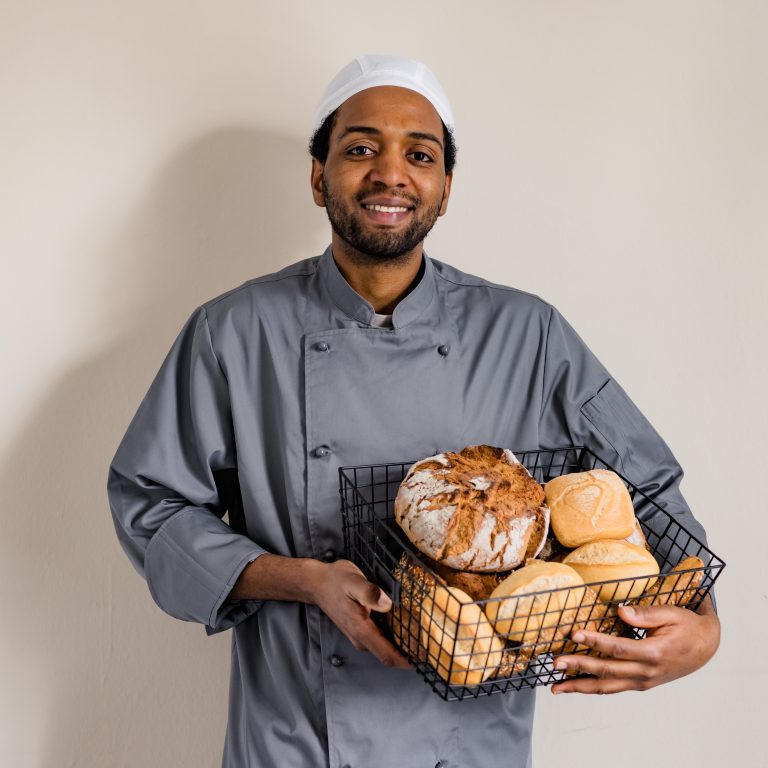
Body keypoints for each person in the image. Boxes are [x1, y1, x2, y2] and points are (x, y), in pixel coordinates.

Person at [107, 55, 720, 768]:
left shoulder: (527, 333)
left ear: (445, 189)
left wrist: (705, 629)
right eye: (360, 148)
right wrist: (307, 580)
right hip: (297, 736)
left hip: (472, 745)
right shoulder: (235, 332)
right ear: (318, 176)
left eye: (420, 155)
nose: (390, 173)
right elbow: (150, 506)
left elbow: (647, 488)